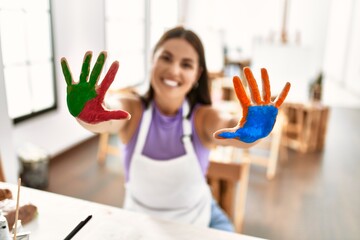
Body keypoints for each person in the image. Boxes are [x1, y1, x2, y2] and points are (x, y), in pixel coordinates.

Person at [60, 26, 290, 232]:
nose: (174, 70)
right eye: (166, 58)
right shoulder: (133, 109)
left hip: (199, 220)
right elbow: (108, 116)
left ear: (198, 74)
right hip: (140, 222)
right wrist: (86, 114)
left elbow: (227, 126)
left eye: (186, 64)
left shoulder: (203, 116)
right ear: (153, 61)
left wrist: (251, 132)